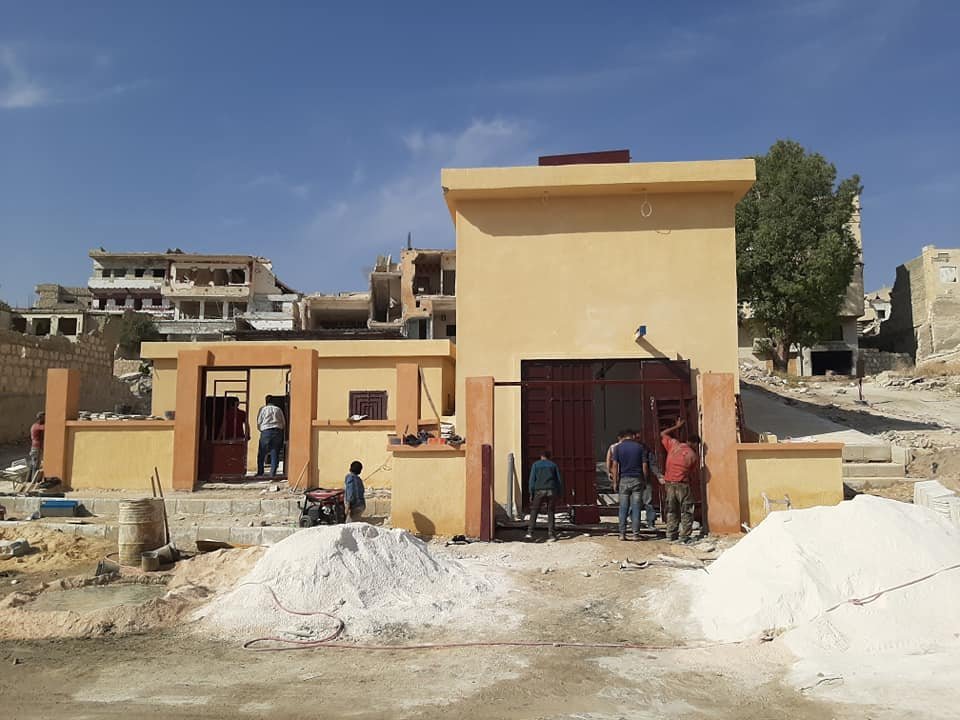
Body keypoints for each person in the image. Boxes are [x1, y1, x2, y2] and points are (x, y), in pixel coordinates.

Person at [660, 417, 701, 544]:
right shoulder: (692, 455)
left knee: (672, 510)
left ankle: (671, 535)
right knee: (687, 510)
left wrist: (677, 426)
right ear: (695, 444)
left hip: (669, 484)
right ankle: (684, 536)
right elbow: (692, 472)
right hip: (682, 484)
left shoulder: (674, 445)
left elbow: (663, 434)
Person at [611, 429, 650, 541]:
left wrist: (615, 482)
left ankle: (622, 534)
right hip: (637, 480)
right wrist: (645, 480)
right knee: (636, 508)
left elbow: (615, 466)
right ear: (632, 436)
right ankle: (635, 534)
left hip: (623, 480)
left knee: (623, 507)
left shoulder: (617, 448)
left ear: (623, 437)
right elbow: (644, 466)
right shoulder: (640, 447)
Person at [526, 450, 562, 542]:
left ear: (541, 456)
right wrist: (559, 492)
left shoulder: (535, 465)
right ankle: (551, 534)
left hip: (539, 490)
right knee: (550, 511)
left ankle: (530, 532)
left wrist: (531, 492)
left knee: (534, 511)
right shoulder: (553, 465)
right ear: (549, 457)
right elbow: (558, 480)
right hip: (551, 490)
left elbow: (532, 480)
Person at [256, 395, 286, 477]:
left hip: (266, 431)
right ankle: (272, 473)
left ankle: (260, 472)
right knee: (274, 452)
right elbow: (283, 422)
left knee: (262, 453)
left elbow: (259, 422)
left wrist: (261, 430)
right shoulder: (278, 409)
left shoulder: (263, 409)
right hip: (277, 431)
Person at [28, 411, 45, 481]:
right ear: (40, 418)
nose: (45, 419)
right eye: (44, 418)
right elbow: (45, 428)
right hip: (36, 448)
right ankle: (33, 481)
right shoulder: (38, 426)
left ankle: (29, 480)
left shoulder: (35, 425)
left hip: (35, 447)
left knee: (32, 464)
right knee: (35, 465)